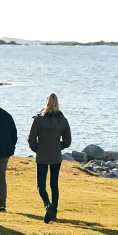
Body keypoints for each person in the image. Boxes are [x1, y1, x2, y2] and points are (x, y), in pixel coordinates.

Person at [28, 93, 71, 223]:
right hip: (56, 156)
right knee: (54, 184)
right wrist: (59, 147)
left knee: (40, 184)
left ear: (46, 102)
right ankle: (54, 212)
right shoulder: (62, 120)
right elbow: (68, 141)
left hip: (42, 155)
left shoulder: (39, 119)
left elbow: (31, 138)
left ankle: (48, 205)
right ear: (57, 103)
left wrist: (36, 148)